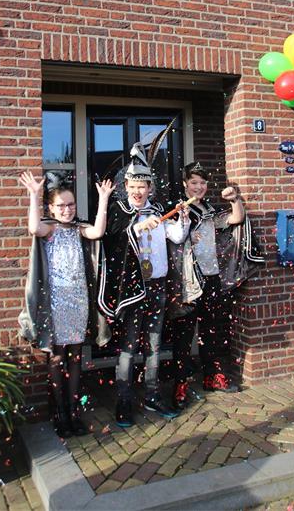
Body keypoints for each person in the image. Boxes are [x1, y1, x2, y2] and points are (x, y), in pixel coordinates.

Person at [99, 143, 191, 428]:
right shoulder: (119, 210)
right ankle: (123, 401)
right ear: (126, 186)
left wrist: (183, 220)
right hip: (131, 290)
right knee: (128, 346)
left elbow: (176, 237)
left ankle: (152, 394)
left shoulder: (159, 210)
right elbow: (113, 241)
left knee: (154, 343)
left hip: (157, 287)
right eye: (133, 186)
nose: (138, 191)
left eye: (143, 186)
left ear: (150, 188)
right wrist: (138, 227)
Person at [18, 171, 114, 438]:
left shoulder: (78, 228)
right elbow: (34, 228)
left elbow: (98, 231)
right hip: (56, 303)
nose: (67, 210)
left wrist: (103, 199)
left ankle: (73, 411)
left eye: (70, 205)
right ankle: (59, 412)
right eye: (61, 206)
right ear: (51, 208)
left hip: (78, 300)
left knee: (76, 356)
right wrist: (34, 195)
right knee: (57, 356)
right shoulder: (49, 228)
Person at [168, 161, 264, 411]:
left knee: (211, 331)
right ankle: (180, 385)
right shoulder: (177, 209)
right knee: (183, 336)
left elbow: (236, 218)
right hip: (188, 282)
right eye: (194, 182)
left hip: (212, 279)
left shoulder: (210, 210)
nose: (199, 187)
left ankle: (212, 377)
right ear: (185, 184)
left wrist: (235, 199)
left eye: (202, 182)